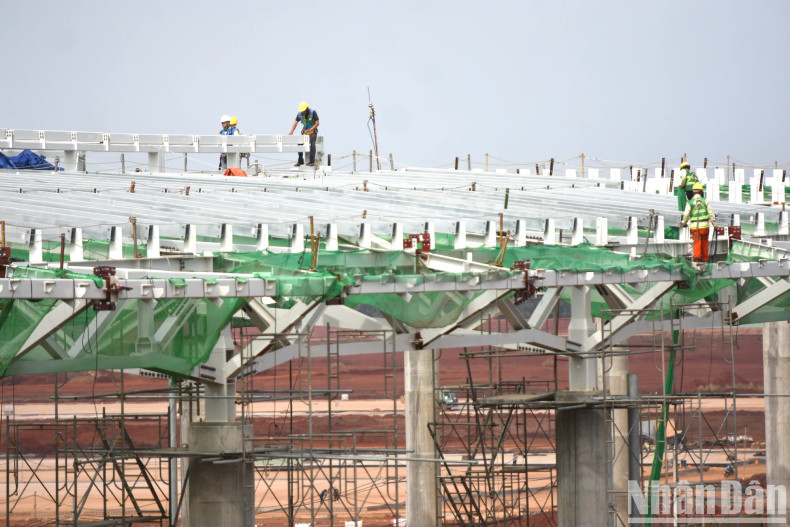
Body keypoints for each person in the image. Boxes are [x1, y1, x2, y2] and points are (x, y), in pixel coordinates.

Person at [681, 182, 716, 264]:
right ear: (701, 192)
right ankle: (705, 259)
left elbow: (686, 215)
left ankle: (697, 260)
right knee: (704, 242)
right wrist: (714, 224)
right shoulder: (705, 201)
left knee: (697, 242)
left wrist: (683, 222)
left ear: (693, 192)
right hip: (705, 227)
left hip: (694, 227)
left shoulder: (689, 202)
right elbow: (711, 214)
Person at [288, 101, 319, 167]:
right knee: (299, 143)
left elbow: (317, 123)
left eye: (304, 110)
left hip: (312, 131)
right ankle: (300, 160)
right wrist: (291, 131)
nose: (303, 112)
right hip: (305, 131)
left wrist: (310, 130)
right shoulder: (300, 114)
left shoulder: (313, 112)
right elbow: (295, 123)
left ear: (307, 108)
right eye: (302, 110)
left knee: (312, 144)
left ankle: (311, 161)